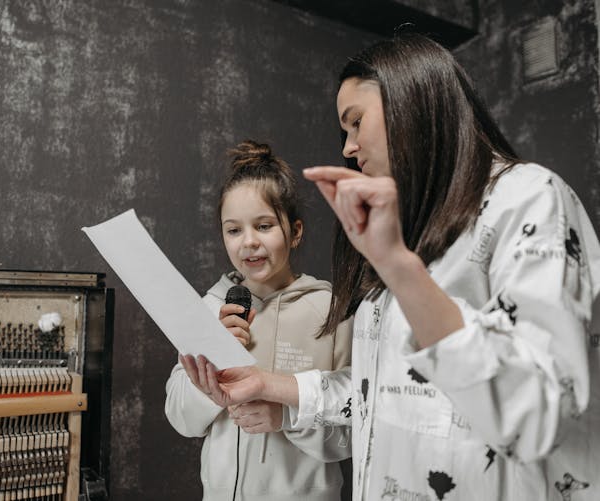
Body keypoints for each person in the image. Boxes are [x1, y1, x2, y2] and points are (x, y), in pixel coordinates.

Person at [184, 34, 600, 500]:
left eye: (356, 122)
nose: (348, 147)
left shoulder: (528, 200)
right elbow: (374, 396)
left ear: (412, 100)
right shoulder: (401, 241)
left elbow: (540, 412)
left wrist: (399, 266)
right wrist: (270, 386)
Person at [166, 140, 353, 501]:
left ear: (295, 232)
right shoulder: (211, 307)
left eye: (264, 226)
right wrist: (211, 367)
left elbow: (351, 430)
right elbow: (179, 415)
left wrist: (286, 417)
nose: (248, 242)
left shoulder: (330, 312)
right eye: (233, 230)